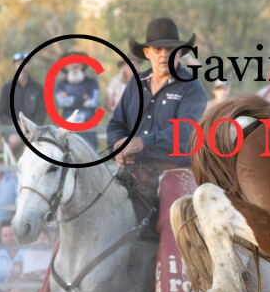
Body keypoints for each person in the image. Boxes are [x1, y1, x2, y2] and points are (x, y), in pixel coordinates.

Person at [107, 17, 207, 222]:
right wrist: (117, 145)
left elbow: (187, 131)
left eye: (170, 50)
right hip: (134, 170)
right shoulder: (135, 84)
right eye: (157, 49)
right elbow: (117, 124)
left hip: (175, 170)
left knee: (172, 223)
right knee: (97, 209)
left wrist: (142, 143)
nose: (164, 55)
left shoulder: (191, 86)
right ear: (147, 53)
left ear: (180, 53)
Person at [0, 52, 49, 159]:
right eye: (18, 63)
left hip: (33, 130)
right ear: (14, 66)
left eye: (25, 63)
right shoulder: (7, 88)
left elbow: (41, 113)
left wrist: (31, 128)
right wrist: (15, 125)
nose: (22, 67)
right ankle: (13, 168)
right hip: (12, 129)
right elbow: (0, 113)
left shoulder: (37, 88)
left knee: (42, 145)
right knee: (14, 140)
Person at [54, 62, 102, 152]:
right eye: (70, 63)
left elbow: (94, 102)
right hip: (68, 128)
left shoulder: (92, 83)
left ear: (82, 66)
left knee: (91, 153)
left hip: (89, 129)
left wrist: (70, 97)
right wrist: (83, 97)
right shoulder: (61, 84)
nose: (74, 65)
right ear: (66, 67)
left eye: (76, 62)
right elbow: (62, 102)